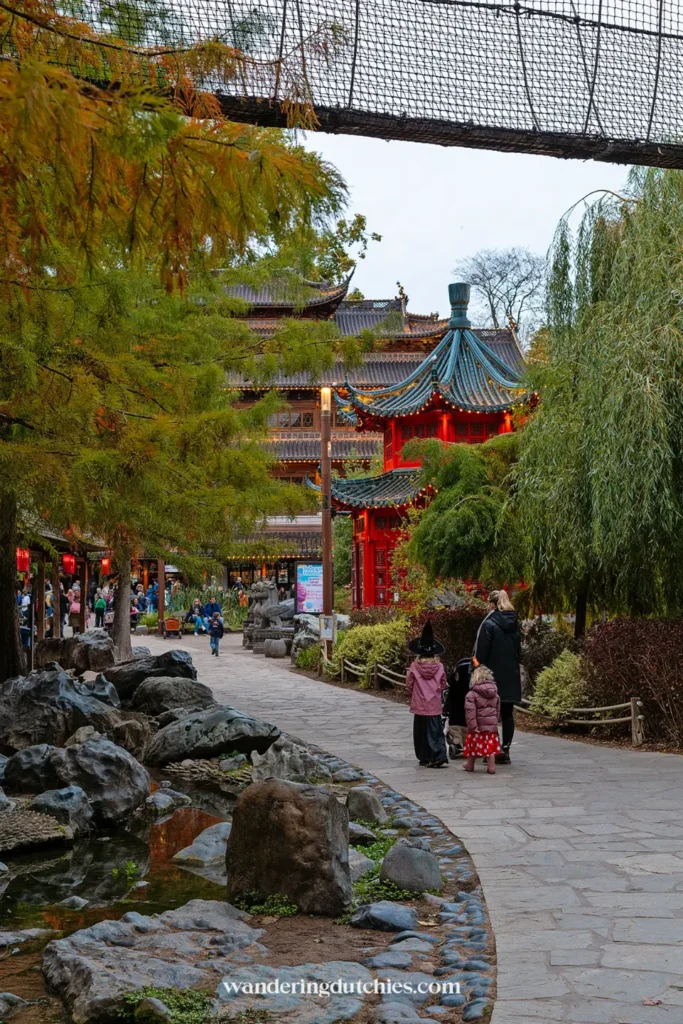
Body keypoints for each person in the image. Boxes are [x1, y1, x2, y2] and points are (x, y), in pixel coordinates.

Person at [473, 589, 521, 765]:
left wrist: (475, 667)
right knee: (507, 713)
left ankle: (492, 750)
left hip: (492, 674)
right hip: (511, 674)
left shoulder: (489, 624)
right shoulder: (514, 623)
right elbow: (518, 650)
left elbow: (481, 652)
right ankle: (505, 749)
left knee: (489, 713)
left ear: (492, 604)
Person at [406, 621, 448, 768]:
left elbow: (409, 684)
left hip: (420, 704)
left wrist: (416, 693)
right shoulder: (440, 666)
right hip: (434, 704)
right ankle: (438, 755)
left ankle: (424, 756)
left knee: (421, 732)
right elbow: (443, 684)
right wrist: (437, 691)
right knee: (435, 730)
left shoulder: (414, 666)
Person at [463, 665, 501, 775]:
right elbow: (497, 710)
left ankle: (470, 764)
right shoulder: (495, 694)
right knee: (490, 748)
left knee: (473, 746)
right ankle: (491, 767)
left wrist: (472, 726)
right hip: (491, 727)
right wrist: (494, 722)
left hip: (478, 727)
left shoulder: (471, 694)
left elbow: (470, 712)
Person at [444, 657, 472, 759]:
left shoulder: (454, 687)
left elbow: (448, 701)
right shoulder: (472, 690)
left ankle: (456, 744)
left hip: (455, 720)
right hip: (468, 720)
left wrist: (445, 710)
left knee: (455, 733)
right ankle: (468, 744)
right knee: (468, 733)